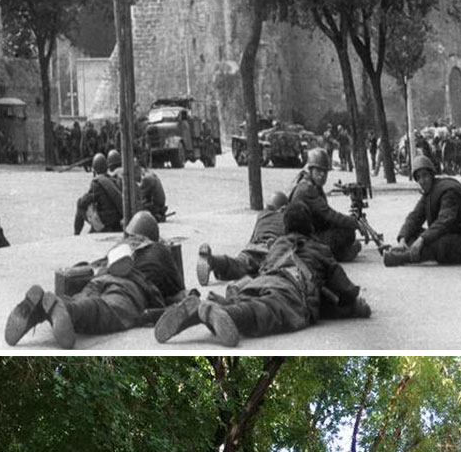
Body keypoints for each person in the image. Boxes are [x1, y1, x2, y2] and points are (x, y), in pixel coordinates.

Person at [155, 202, 371, 347]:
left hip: (258, 282)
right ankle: (223, 312)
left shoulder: (278, 243)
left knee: (249, 301)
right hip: (289, 289)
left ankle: (200, 310)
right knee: (263, 312)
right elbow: (345, 289)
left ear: (285, 227)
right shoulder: (320, 250)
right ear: (310, 227)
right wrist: (357, 306)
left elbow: (261, 267)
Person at [4, 211, 185, 349]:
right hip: (129, 288)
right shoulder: (160, 250)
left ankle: (38, 311)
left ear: (131, 232)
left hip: (98, 279)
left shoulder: (122, 245)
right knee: (101, 309)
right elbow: (179, 295)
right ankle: (63, 306)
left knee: (83, 300)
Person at [383, 154, 461, 266]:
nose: (422, 181)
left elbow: (445, 221)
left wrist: (422, 239)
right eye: (418, 177)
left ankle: (405, 257)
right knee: (413, 234)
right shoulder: (429, 193)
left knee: (440, 246)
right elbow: (415, 217)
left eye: (425, 175)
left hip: (460, 237)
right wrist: (403, 238)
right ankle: (406, 250)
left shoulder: (448, 191)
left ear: (431, 175)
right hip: (444, 234)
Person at [196, 191, 289, 285]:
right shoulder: (286, 218)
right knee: (261, 275)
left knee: (237, 264)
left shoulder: (261, 215)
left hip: (253, 247)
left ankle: (213, 261)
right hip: (269, 251)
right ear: (283, 208)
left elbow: (254, 236)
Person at [290, 147, 361, 261]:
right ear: (311, 169)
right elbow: (328, 214)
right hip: (305, 239)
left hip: (308, 233)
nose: (322, 175)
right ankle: (335, 255)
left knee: (344, 229)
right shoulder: (307, 188)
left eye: (325, 171)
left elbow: (324, 215)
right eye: (318, 171)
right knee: (347, 232)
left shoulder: (309, 184)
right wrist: (352, 222)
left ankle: (335, 253)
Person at [74, 152, 124, 234]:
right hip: (117, 221)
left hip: (106, 223)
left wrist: (82, 199)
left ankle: (76, 233)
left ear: (94, 170)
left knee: (79, 204)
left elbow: (85, 201)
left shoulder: (97, 183)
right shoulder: (112, 180)